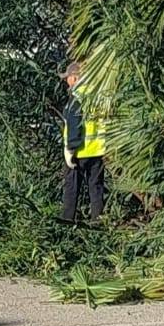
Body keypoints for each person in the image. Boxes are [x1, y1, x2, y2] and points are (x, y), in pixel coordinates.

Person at [59, 61, 106, 224]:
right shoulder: (97, 96)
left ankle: (67, 221)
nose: (67, 82)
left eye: (68, 78)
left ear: (74, 78)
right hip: (98, 150)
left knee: (72, 187)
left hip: (79, 152)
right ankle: (97, 222)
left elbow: (74, 124)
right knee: (96, 187)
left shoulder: (76, 98)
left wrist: (70, 150)